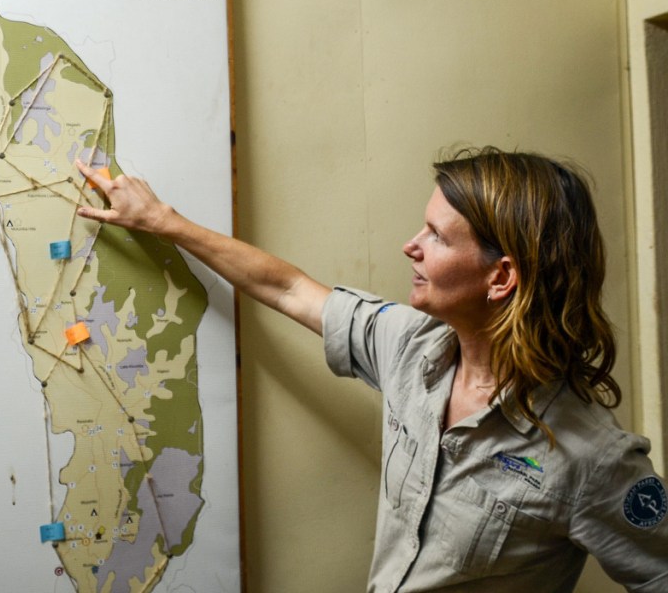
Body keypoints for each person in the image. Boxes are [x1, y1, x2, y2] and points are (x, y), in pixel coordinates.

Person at [75, 147, 668, 592]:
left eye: (435, 236)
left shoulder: (592, 457)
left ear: (501, 277)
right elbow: (287, 289)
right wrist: (162, 222)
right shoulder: (413, 349)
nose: (411, 246)